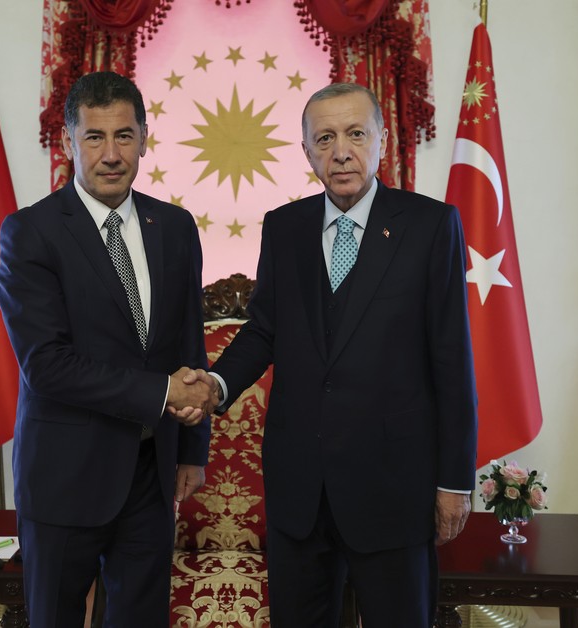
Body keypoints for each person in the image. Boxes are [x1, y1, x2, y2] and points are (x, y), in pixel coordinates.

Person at [177, 82, 478, 627]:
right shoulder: (284, 227)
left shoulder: (432, 226)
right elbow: (264, 329)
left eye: (356, 134)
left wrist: (454, 482)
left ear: (382, 140)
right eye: (325, 138)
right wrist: (215, 386)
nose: (341, 151)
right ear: (307, 150)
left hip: (393, 487)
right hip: (300, 489)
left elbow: (452, 360)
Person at [0, 71, 216, 628]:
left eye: (124, 136)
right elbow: (46, 364)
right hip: (64, 475)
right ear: (69, 142)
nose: (111, 154)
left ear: (145, 138)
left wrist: (192, 447)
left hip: (151, 471)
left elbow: (189, 340)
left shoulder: (175, 226)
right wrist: (164, 392)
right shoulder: (30, 233)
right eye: (94, 137)